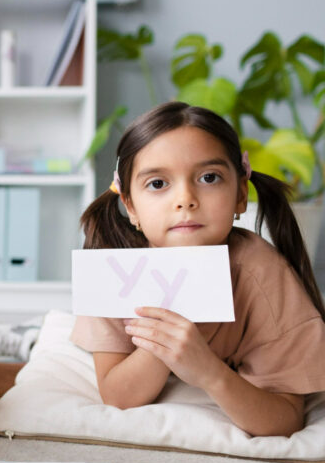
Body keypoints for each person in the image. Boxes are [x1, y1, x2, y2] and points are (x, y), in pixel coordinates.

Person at [71, 101, 325, 437]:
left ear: (240, 194)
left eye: (209, 177)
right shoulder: (113, 268)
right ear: (130, 206)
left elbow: (284, 419)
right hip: (122, 333)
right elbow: (118, 397)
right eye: (158, 184)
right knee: (60, 335)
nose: (185, 199)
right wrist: (163, 346)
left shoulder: (262, 273)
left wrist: (207, 370)